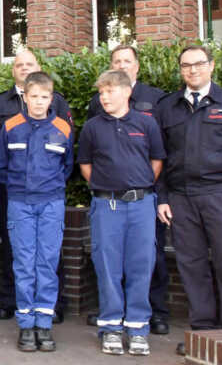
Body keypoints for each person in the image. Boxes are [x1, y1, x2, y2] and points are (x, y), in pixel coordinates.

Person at [155, 45, 222, 356]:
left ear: (211, 66)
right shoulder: (168, 107)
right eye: (186, 65)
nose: (193, 70)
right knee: (192, 265)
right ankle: (204, 332)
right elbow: (158, 158)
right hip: (181, 199)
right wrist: (162, 197)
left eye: (199, 64)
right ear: (180, 70)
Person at [0, 50, 73, 322]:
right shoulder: (1, 107)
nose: (23, 68)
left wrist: (49, 182)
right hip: (15, 192)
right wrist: (12, 180)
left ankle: (51, 308)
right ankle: (15, 304)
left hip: (48, 196)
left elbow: (66, 160)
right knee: (16, 252)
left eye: (29, 64)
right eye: (18, 64)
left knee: (48, 254)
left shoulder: (60, 107)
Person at [78, 70, 164, 356]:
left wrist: (136, 188)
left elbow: (156, 161)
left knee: (141, 265)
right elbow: (86, 166)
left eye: (110, 91)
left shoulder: (146, 124)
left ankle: (138, 327)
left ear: (127, 92)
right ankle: (111, 327)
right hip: (106, 206)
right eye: (101, 92)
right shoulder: (92, 128)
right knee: (107, 265)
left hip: (141, 205)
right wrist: (108, 188)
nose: (104, 97)